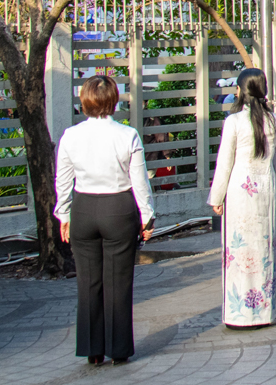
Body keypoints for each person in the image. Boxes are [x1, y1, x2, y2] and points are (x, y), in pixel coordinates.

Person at [55, 75, 155, 366]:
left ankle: (92, 349)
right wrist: (146, 217)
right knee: (119, 280)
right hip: (118, 207)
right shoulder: (128, 135)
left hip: (84, 207)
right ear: (113, 100)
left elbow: (62, 181)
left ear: (85, 100)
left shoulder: (70, 136)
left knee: (88, 283)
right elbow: (139, 182)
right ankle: (119, 348)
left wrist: (63, 215)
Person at [209, 67, 276, 329]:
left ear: (240, 91)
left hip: (240, 191)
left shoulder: (234, 122)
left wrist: (216, 197)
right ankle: (264, 311)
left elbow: (224, 163)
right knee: (263, 248)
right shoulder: (275, 121)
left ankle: (239, 313)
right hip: (265, 188)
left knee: (238, 250)